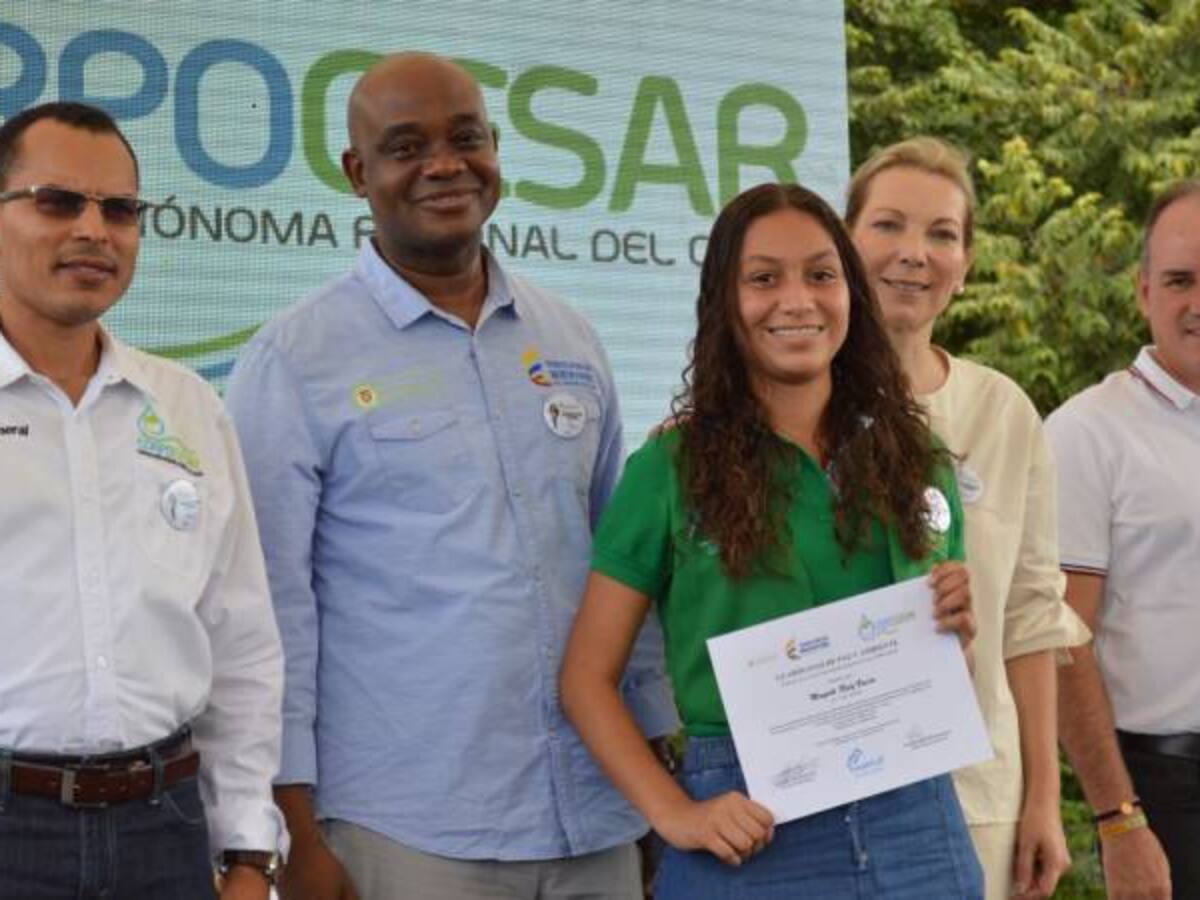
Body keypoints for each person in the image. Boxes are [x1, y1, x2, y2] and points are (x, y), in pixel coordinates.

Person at [225, 52, 676, 900]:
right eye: (406, 147)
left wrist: (656, 762)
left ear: (495, 151)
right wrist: (291, 827)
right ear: (357, 172)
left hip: (597, 813)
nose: (444, 165)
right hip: (408, 830)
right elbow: (268, 608)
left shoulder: (571, 338)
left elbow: (622, 573)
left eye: (466, 139)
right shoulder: (294, 359)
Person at [559, 182, 984, 899]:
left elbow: (942, 674)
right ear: (725, 303)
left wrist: (956, 629)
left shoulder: (918, 461)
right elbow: (585, 679)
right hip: (748, 827)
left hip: (917, 825)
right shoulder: (670, 469)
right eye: (763, 279)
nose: (797, 300)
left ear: (851, 293)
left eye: (821, 275)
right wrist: (675, 813)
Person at [0, 101, 285, 898]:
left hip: (166, 829)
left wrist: (250, 851)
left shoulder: (187, 407)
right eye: (58, 202)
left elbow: (241, 643)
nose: (95, 230)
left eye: (120, 210)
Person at [844, 136, 1089, 900]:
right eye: (888, 225)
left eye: (941, 234)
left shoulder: (1004, 411)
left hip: (978, 798)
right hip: (827, 796)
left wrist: (1042, 801)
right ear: (845, 241)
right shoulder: (790, 403)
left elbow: (1029, 617)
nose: (913, 253)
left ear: (966, 263)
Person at [1045, 179, 1200, 900]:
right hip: (1168, 793)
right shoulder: (1087, 432)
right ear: (1143, 292)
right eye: (1180, 280)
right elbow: (1061, 643)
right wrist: (1119, 821)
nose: (1197, 301)